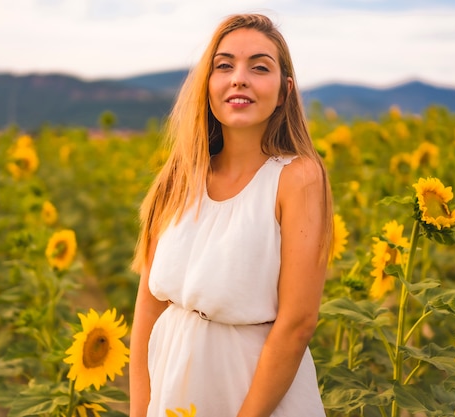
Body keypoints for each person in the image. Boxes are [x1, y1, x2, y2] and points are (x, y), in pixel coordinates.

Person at [129, 13, 334, 417]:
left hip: (253, 397)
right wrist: (140, 411)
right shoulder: (179, 176)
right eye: (224, 65)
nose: (239, 78)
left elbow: (297, 324)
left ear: (283, 92)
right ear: (208, 84)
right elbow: (147, 311)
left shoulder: (298, 178)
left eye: (260, 67)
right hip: (172, 389)